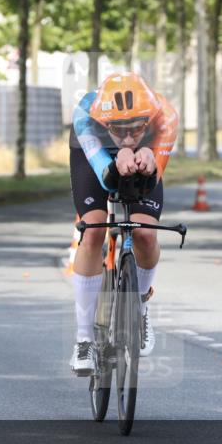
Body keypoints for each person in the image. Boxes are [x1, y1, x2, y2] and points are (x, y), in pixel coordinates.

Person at [68, 72, 178, 375]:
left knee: (144, 234)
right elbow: (106, 174)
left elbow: (152, 179)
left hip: (149, 151)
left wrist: (149, 156)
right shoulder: (85, 116)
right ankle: (84, 339)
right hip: (95, 156)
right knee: (92, 233)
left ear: (150, 118)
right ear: (105, 123)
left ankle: (140, 306)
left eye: (137, 128)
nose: (128, 137)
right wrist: (117, 158)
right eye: (119, 130)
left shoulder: (166, 116)